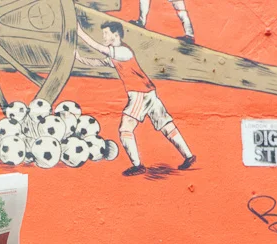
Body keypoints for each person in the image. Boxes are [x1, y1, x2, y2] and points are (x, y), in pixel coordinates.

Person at [76, 22, 195, 176]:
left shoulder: (123, 52)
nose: (103, 36)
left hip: (140, 93)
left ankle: (137, 166)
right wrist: (78, 57)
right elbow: (99, 62)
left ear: (116, 35)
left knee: (125, 129)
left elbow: (99, 48)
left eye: (106, 33)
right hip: (148, 92)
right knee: (166, 126)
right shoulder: (117, 54)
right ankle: (189, 156)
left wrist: (80, 32)